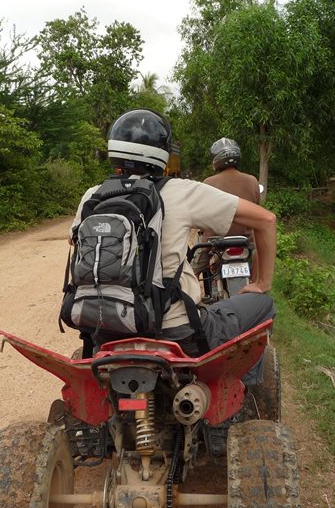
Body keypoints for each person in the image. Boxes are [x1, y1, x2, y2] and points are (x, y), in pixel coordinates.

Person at [69, 109, 277, 385]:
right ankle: (246, 394)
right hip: (179, 334)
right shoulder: (181, 190)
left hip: (104, 332)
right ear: (162, 154)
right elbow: (266, 220)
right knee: (263, 304)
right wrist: (262, 282)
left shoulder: (91, 196)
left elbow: (75, 242)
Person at [203, 138, 261, 238]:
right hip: (246, 242)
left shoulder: (208, 183)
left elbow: (202, 214)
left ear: (215, 160)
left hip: (214, 243)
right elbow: (257, 210)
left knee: (196, 252)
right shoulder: (252, 180)